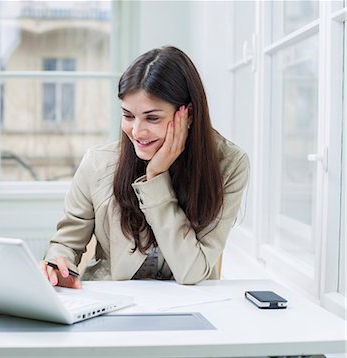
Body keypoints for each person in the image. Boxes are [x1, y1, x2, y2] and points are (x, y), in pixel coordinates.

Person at [41, 46, 249, 288]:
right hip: (112, 301)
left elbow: (192, 271)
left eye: (152, 118)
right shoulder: (98, 162)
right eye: (128, 116)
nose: (137, 132)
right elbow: (66, 243)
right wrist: (58, 264)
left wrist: (156, 178)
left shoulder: (229, 164)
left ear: (188, 114)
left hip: (189, 306)